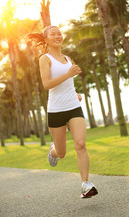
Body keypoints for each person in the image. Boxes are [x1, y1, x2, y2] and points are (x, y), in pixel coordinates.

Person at [30, 25, 98, 199]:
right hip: (56, 110)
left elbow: (67, 84)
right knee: (62, 153)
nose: (58, 35)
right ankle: (53, 150)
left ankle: (85, 185)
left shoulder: (67, 58)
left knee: (81, 144)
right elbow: (47, 84)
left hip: (73, 106)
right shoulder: (45, 59)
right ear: (46, 40)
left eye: (59, 33)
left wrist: (75, 94)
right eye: (53, 34)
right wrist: (68, 74)